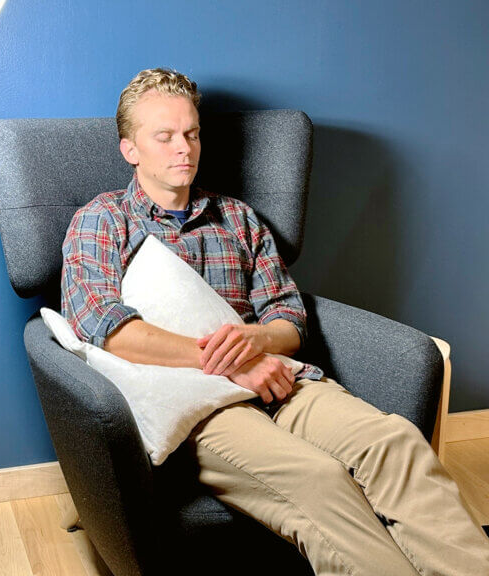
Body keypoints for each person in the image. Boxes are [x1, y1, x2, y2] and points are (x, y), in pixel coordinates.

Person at [60, 68, 489, 575]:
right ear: (130, 149)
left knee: (394, 442)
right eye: (165, 136)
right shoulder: (102, 220)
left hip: (281, 379)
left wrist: (256, 340)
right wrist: (233, 363)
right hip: (200, 408)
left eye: (192, 133)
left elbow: (290, 319)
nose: (185, 148)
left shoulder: (238, 218)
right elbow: (108, 327)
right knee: (319, 479)